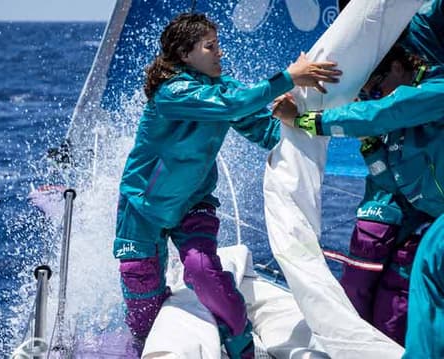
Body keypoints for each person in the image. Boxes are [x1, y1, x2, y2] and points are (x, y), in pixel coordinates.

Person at [113, 12, 340, 357]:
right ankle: (144, 346)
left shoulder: (225, 90)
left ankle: (241, 346)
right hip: (143, 205)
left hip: (194, 202)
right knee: (141, 292)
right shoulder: (171, 93)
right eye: (211, 46)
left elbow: (265, 132)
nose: (220, 53)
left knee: (202, 272)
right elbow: (229, 105)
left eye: (219, 46)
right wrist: (287, 77)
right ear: (186, 55)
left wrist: (297, 118)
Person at [274, 44, 443, 358]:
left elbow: (384, 113)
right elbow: (389, 171)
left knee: (403, 305)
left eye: (376, 87)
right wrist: (369, 144)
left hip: (433, 222)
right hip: (410, 211)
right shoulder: (389, 101)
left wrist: (305, 121)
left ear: (395, 67)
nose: (372, 96)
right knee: (362, 285)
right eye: (367, 93)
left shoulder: (433, 88)